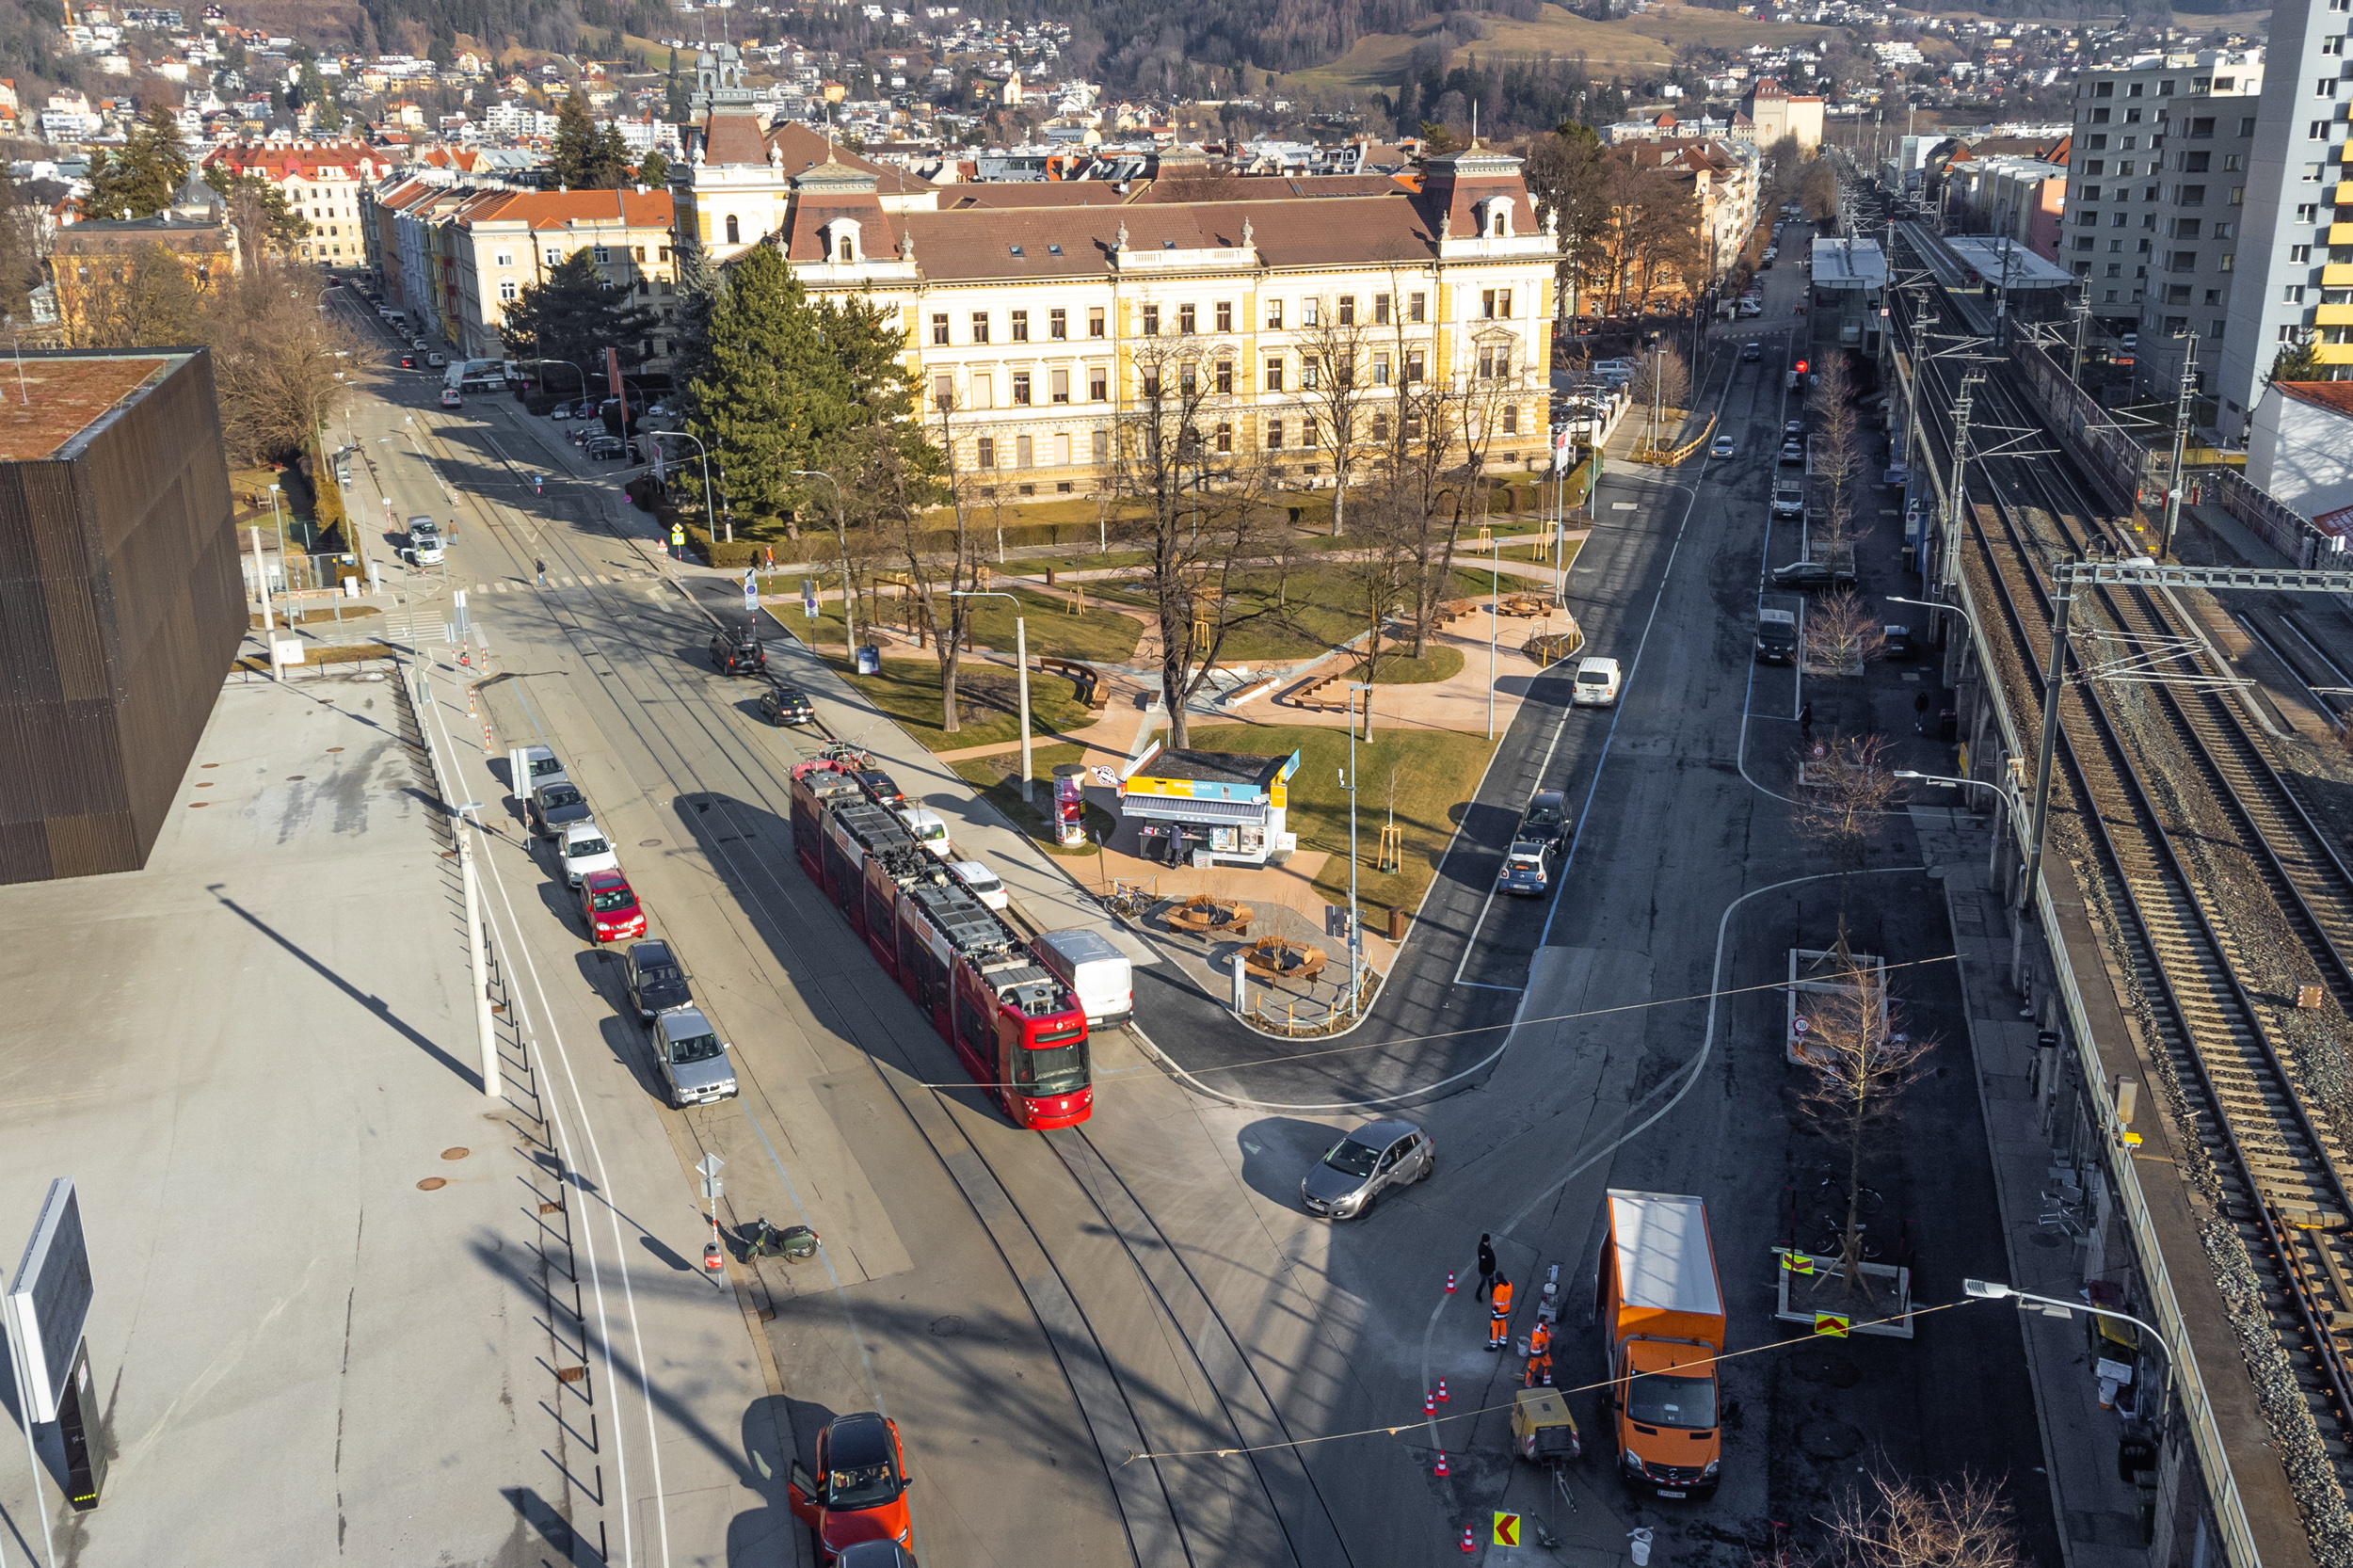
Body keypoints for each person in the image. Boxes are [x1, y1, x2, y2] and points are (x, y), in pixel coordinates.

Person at [1487, 1275, 1514, 1351]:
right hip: (1506, 1310)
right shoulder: (1509, 1285)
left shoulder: (1499, 1289)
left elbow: (1498, 1304)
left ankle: (1493, 1346)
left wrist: (1493, 1313)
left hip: (1499, 1312)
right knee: (1503, 1324)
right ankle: (1503, 1343)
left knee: (1494, 1327)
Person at [1524, 1320, 1553, 1388]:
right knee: (1531, 1370)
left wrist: (1550, 1336)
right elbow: (1535, 1343)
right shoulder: (1537, 1332)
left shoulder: (1544, 1330)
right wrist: (1540, 1345)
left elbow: (1547, 1334)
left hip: (1543, 1353)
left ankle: (1546, 1382)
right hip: (1536, 1355)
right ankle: (1528, 1384)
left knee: (1548, 1365)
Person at [1476, 1234, 1498, 1302]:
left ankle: (1492, 1293)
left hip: (1489, 1269)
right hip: (1485, 1271)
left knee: (1491, 1282)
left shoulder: (1486, 1246)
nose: (1488, 1242)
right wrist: (1490, 1272)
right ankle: (1478, 1295)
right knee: (1483, 1282)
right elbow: (1484, 1264)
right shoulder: (1482, 1251)